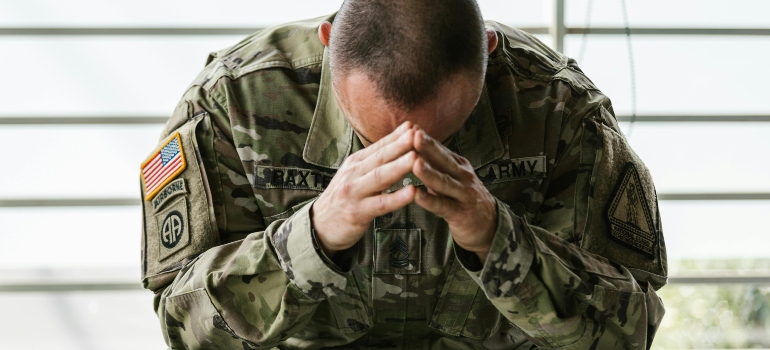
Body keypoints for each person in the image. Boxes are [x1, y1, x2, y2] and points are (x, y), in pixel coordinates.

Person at [139, 0, 667, 348]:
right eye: (371, 134)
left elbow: (631, 330)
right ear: (328, 42)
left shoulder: (561, 112)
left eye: (440, 136)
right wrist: (313, 235)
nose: (406, 160)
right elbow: (185, 326)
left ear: (489, 53)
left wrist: (498, 239)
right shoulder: (233, 103)